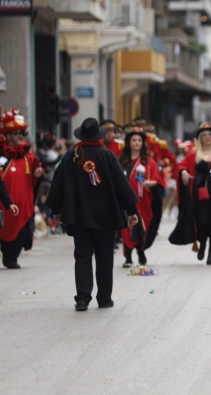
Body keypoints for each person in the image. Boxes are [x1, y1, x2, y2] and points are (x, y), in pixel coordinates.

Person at [46, 118, 139, 311]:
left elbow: (57, 184)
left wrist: (56, 210)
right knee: (105, 257)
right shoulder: (108, 155)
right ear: (99, 136)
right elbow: (122, 186)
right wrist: (131, 211)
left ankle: (82, 298)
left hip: (79, 217)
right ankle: (104, 298)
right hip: (106, 217)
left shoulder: (71, 156)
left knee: (82, 255)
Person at [169, 122, 211, 264]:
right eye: (204, 135)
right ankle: (202, 244)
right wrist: (184, 171)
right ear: (200, 137)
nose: (208, 137)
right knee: (202, 221)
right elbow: (181, 165)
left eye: (210, 134)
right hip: (199, 193)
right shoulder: (193, 153)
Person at [0, 109, 43, 269]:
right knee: (5, 232)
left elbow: (37, 172)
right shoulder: (2, 157)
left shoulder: (28, 155)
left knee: (22, 234)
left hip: (24, 207)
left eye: (22, 133)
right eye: (17, 133)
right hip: (4, 206)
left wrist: (38, 174)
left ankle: (11, 258)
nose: (21, 136)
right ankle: (8, 257)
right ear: (8, 135)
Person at [118, 126, 165, 267]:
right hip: (125, 200)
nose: (137, 142)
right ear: (128, 142)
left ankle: (140, 251)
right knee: (126, 227)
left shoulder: (148, 162)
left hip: (143, 201)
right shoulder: (121, 161)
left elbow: (158, 179)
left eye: (139, 140)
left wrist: (150, 183)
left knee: (141, 227)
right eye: (134, 140)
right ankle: (128, 256)